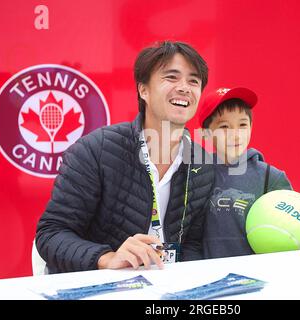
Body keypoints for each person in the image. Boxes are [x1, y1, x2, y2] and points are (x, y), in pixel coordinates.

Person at [36, 41, 214, 273]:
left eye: (194, 81)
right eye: (171, 77)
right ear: (143, 90)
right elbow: (51, 233)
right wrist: (107, 258)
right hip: (100, 286)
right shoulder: (96, 150)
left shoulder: (203, 164)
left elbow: (192, 243)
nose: (184, 88)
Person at [197, 87, 300, 259]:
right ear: (205, 133)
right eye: (225, 126)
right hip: (208, 275)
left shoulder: (269, 176)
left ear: (251, 127)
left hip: (257, 274)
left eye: (242, 125)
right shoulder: (198, 174)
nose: (235, 134)